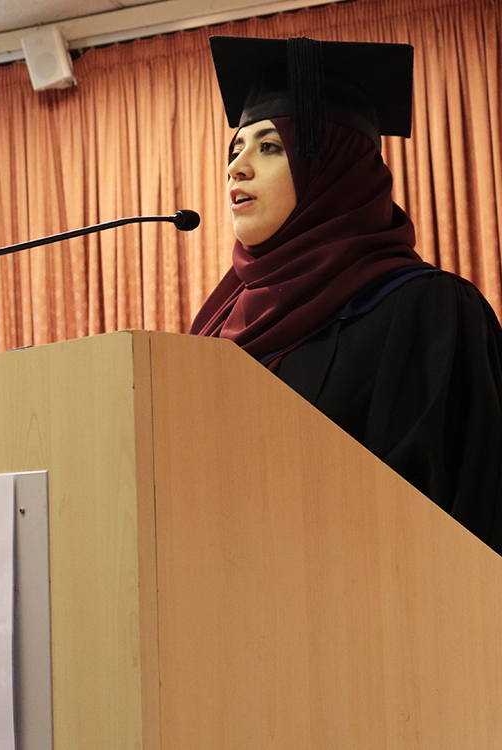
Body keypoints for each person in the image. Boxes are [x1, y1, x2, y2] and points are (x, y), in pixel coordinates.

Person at [191, 36, 502, 552]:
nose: (236, 167)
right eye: (236, 149)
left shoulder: (427, 311)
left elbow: (462, 508)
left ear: (338, 168)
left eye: (270, 147)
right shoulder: (218, 322)